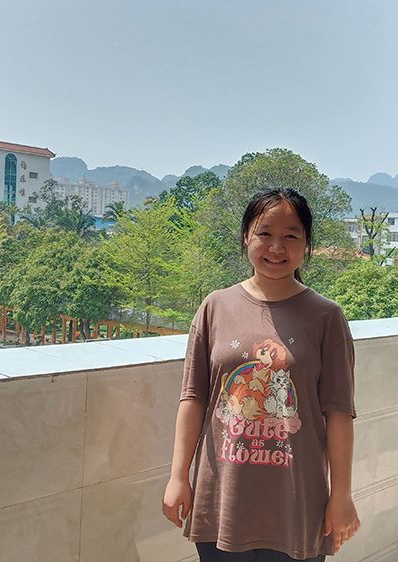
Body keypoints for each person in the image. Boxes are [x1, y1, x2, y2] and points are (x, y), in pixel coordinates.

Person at [163, 188, 359, 561]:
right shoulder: (215, 307)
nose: (276, 247)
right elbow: (193, 399)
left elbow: (338, 414)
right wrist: (178, 476)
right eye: (265, 233)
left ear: (306, 245)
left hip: (296, 502)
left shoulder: (326, 317)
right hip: (222, 498)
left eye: (291, 236)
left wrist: (342, 495)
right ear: (246, 238)